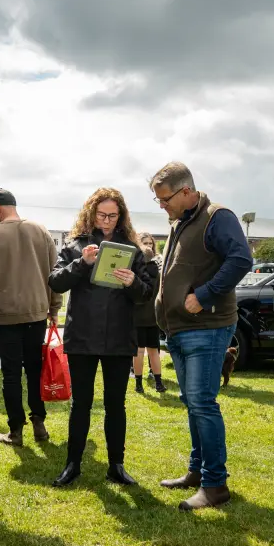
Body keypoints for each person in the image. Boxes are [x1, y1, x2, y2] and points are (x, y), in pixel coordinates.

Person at [150, 161, 252, 511]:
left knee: (203, 404)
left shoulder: (217, 217)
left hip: (206, 328)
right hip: (180, 330)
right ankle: (197, 472)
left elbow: (240, 260)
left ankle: (215, 485)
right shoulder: (182, 221)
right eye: (158, 201)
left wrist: (203, 295)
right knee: (193, 404)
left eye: (165, 199)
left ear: (187, 191)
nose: (162, 206)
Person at [48, 187, 153, 488]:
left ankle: (116, 465)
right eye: (102, 215)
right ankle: (73, 463)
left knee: (115, 404)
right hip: (83, 335)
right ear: (91, 213)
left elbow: (146, 294)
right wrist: (81, 263)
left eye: (113, 216)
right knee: (81, 404)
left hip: (119, 337)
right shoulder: (76, 245)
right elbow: (55, 281)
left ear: (121, 217)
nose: (106, 221)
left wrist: (133, 282)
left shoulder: (132, 248)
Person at [0, 188, 62, 447]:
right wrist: (54, 308)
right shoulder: (41, 231)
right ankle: (39, 424)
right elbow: (55, 274)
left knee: (10, 374)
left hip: (6, 316)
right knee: (35, 371)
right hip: (37, 313)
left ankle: (16, 431)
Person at [133, 233, 166, 394]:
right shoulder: (159, 272)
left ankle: (138, 384)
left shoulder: (136, 272)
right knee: (154, 351)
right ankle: (159, 382)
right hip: (153, 316)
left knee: (139, 351)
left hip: (138, 316)